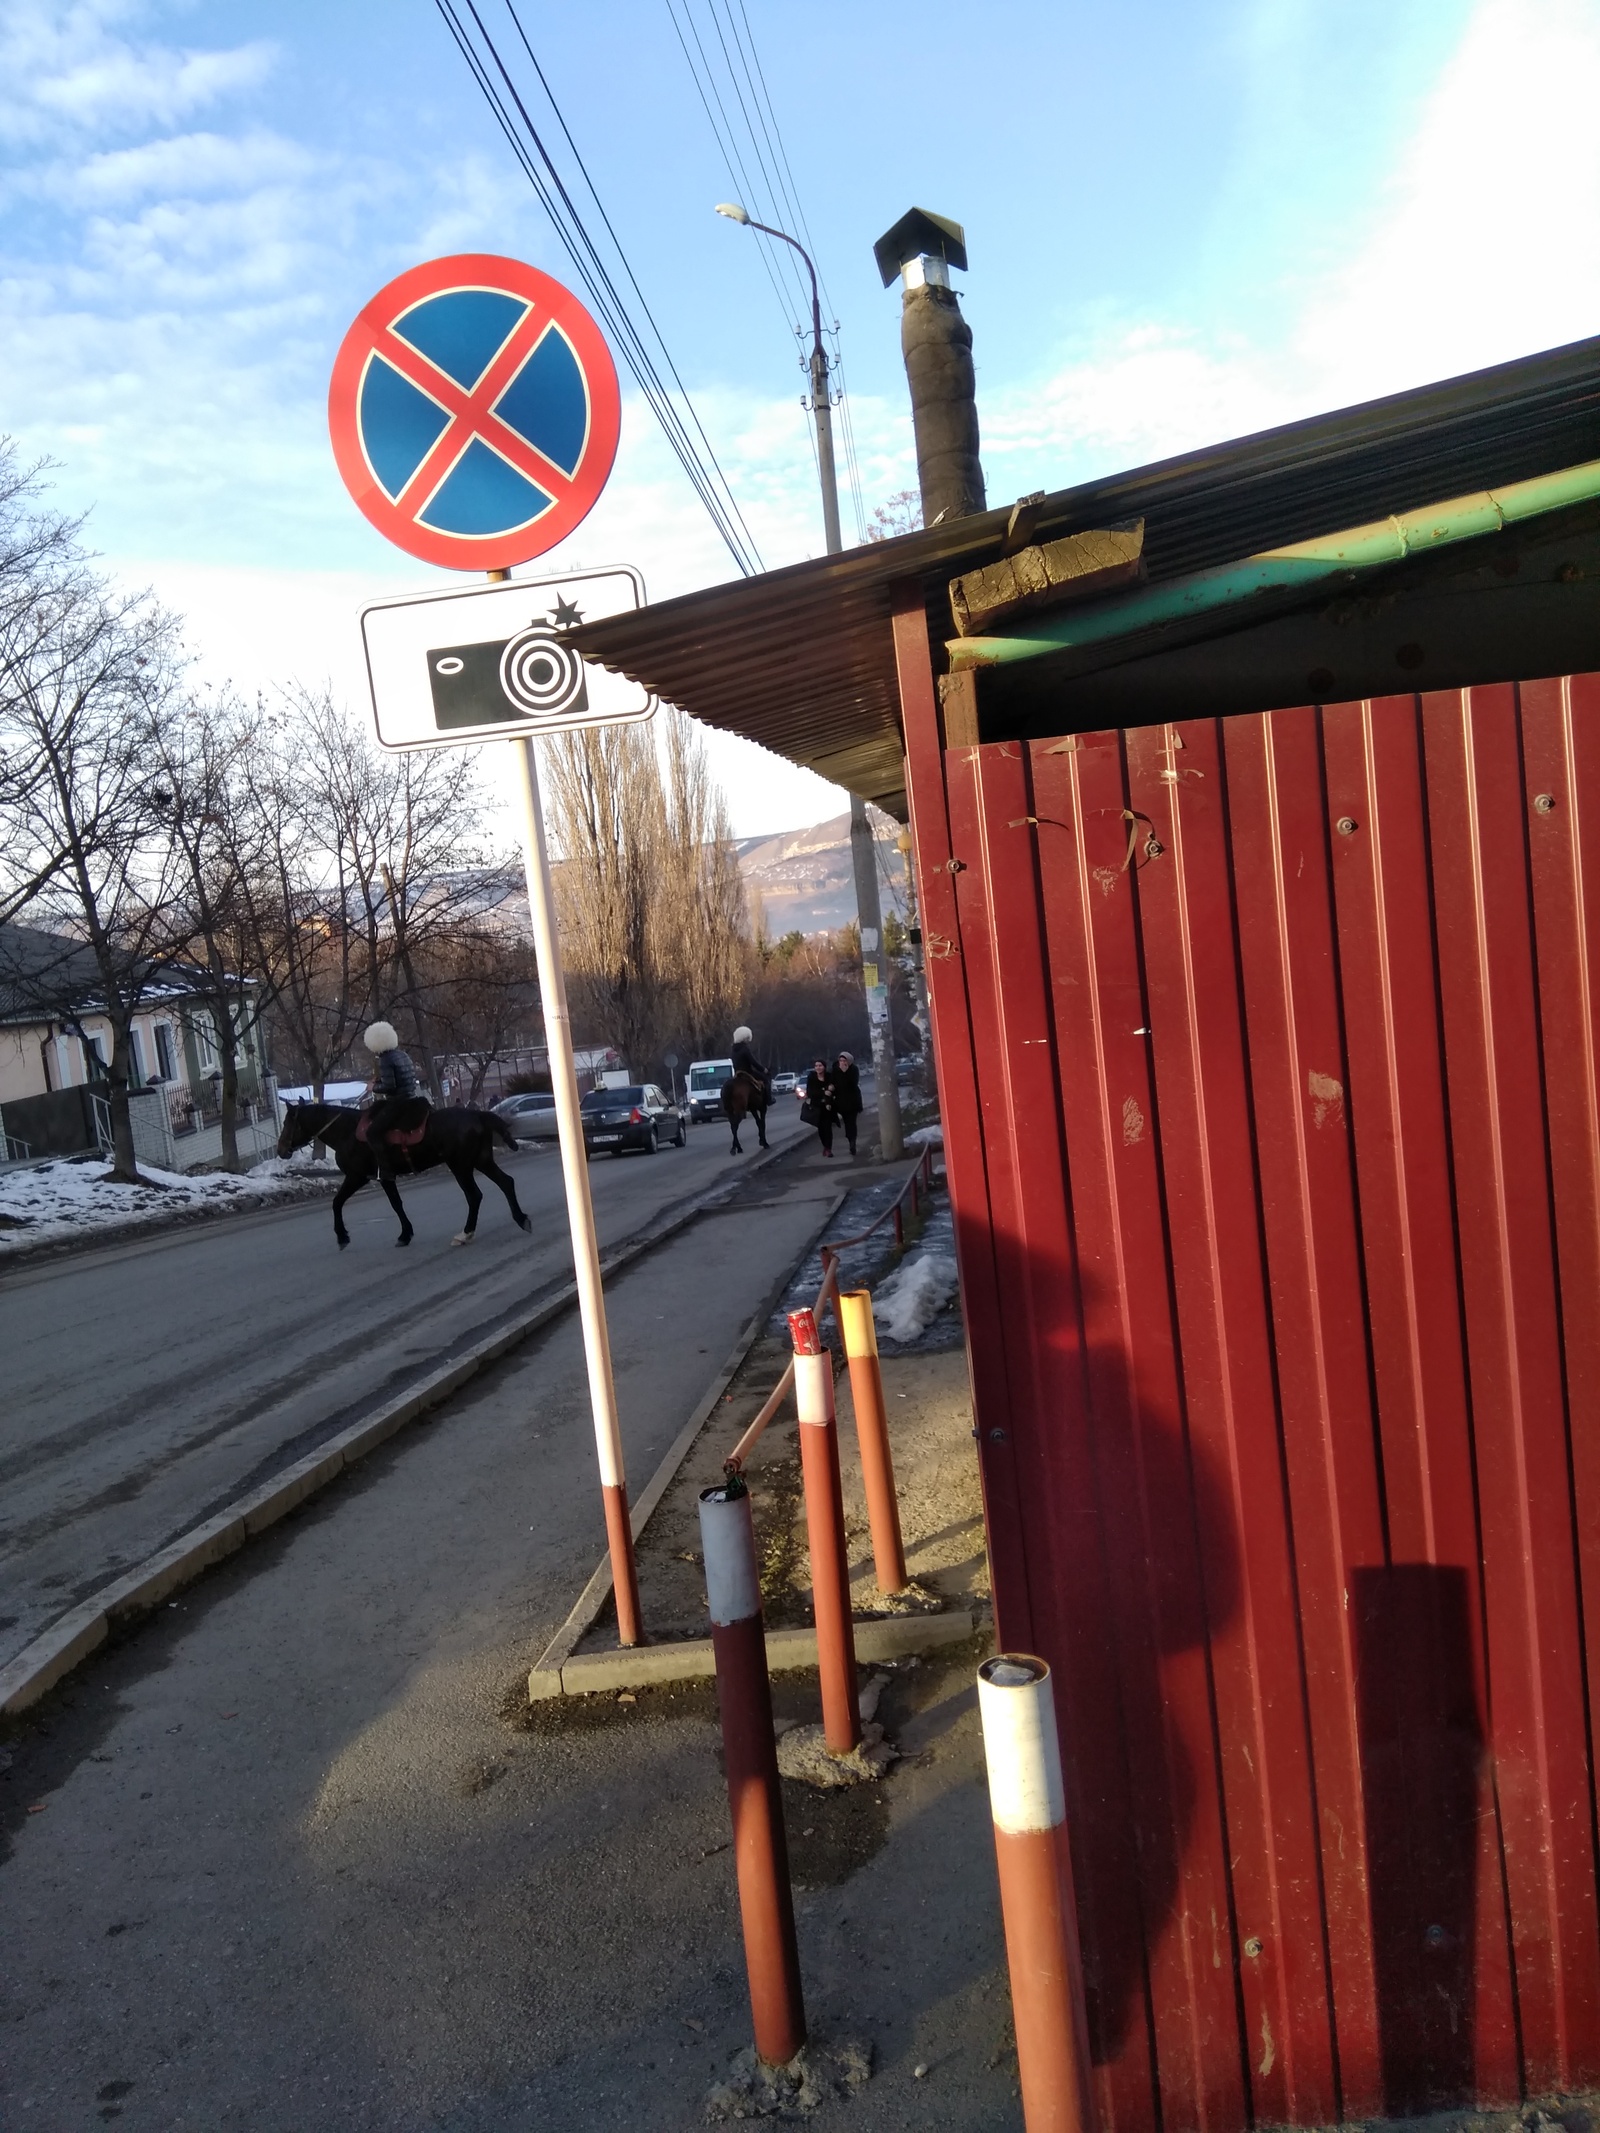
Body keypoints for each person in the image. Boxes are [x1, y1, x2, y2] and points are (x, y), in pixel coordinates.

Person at [363, 1020, 430, 1178]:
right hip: (411, 1097)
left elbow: (390, 1087)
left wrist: (373, 1087)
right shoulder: (402, 1054)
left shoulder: (385, 1060)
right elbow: (401, 1079)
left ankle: (386, 1170)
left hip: (398, 1102)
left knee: (372, 1132)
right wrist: (379, 1081)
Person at [801, 1056, 835, 1157]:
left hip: (828, 1106)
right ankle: (825, 1146)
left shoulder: (829, 1076)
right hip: (817, 1107)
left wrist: (830, 1092)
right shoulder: (811, 1077)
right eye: (816, 1066)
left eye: (820, 1066)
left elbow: (833, 1089)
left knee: (828, 1128)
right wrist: (825, 1091)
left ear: (824, 1067)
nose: (818, 1068)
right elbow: (810, 1092)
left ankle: (829, 1149)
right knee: (821, 1129)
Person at [831, 1049, 863, 1157]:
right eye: (840, 1060)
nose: (842, 1063)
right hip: (841, 1102)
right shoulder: (835, 1070)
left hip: (853, 1101)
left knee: (852, 1122)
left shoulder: (853, 1070)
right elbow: (835, 1084)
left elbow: (853, 1084)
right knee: (846, 1122)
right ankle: (849, 1138)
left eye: (844, 1060)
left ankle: (852, 1142)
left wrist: (845, 1073)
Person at [729, 1024, 769, 1103]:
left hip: (737, 1073)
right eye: (747, 1038)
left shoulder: (733, 1050)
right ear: (744, 1038)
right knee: (765, 1080)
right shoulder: (745, 1048)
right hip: (747, 1073)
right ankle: (769, 1099)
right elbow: (753, 1062)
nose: (748, 1040)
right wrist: (763, 1069)